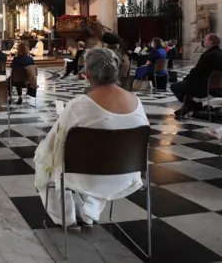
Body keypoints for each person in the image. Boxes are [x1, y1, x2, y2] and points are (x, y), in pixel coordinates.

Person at [34, 48, 149, 230]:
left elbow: (54, 144)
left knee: (46, 162)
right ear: (116, 70)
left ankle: (68, 219)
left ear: (87, 73)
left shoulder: (78, 106)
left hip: (85, 176)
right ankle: (89, 213)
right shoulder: (136, 101)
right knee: (104, 157)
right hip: (126, 175)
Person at [171, 34, 222, 117]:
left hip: (204, 87)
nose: (203, 41)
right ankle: (190, 105)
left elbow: (197, 71)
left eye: (205, 40)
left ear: (210, 43)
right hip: (220, 86)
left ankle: (191, 105)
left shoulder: (208, 55)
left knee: (175, 87)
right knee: (187, 86)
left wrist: (186, 79)